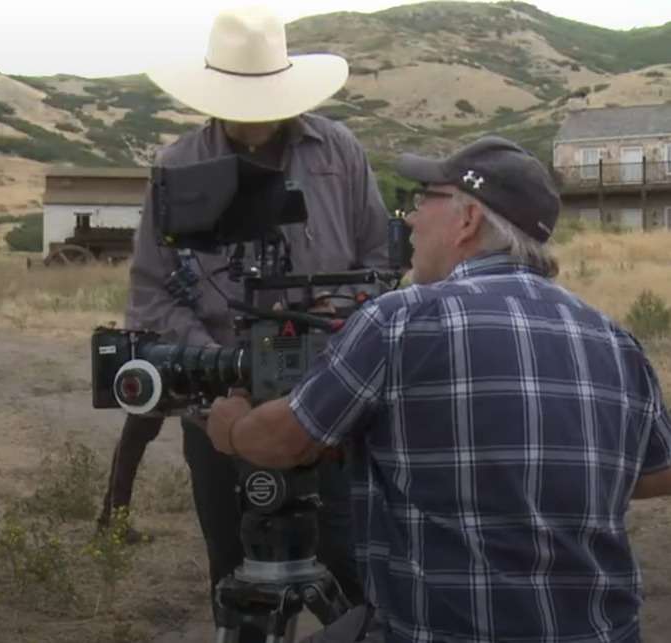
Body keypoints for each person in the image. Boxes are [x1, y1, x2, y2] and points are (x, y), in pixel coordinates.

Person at [207, 135, 671, 642]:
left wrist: (230, 428)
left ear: (467, 220)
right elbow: (656, 473)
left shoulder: (400, 318)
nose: (408, 218)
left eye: (423, 199)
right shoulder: (612, 336)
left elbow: (284, 443)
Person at [99, 5, 393, 640]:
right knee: (234, 567)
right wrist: (225, 373)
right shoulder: (176, 167)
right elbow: (152, 296)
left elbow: (378, 267)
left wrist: (331, 322)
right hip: (219, 411)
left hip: (329, 406)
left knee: (349, 565)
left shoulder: (339, 153)